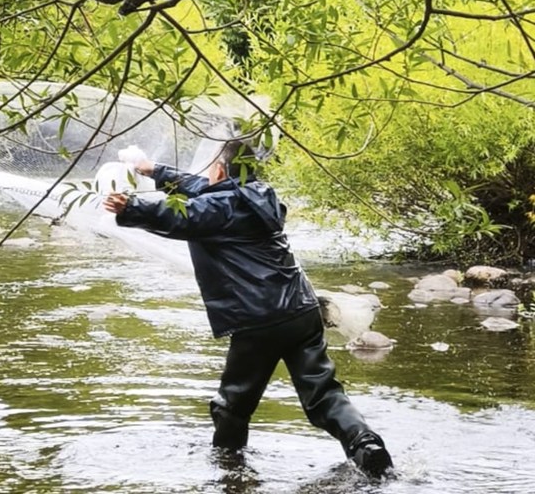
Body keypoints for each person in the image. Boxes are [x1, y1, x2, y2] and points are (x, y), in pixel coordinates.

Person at [102, 140, 393, 478]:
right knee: (323, 393)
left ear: (221, 170)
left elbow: (182, 214)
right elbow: (199, 189)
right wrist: (152, 170)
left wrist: (129, 207)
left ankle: (229, 468)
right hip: (302, 310)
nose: (205, 173)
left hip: (259, 321)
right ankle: (366, 446)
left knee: (233, 405)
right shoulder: (258, 194)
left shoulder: (219, 207)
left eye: (210, 166)